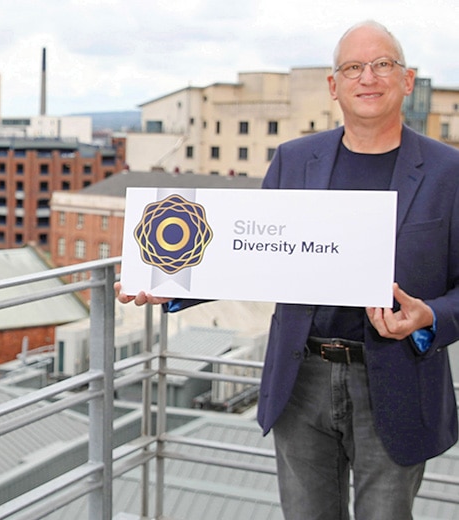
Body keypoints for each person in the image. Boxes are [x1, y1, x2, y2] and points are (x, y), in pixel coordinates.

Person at [117, 20, 459, 520]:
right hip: (302, 379)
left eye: (383, 64)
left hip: (397, 380)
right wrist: (163, 282)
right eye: (353, 67)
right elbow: (252, 254)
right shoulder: (294, 160)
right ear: (334, 86)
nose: (369, 77)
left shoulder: (449, 171)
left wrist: (428, 315)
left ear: (407, 80)